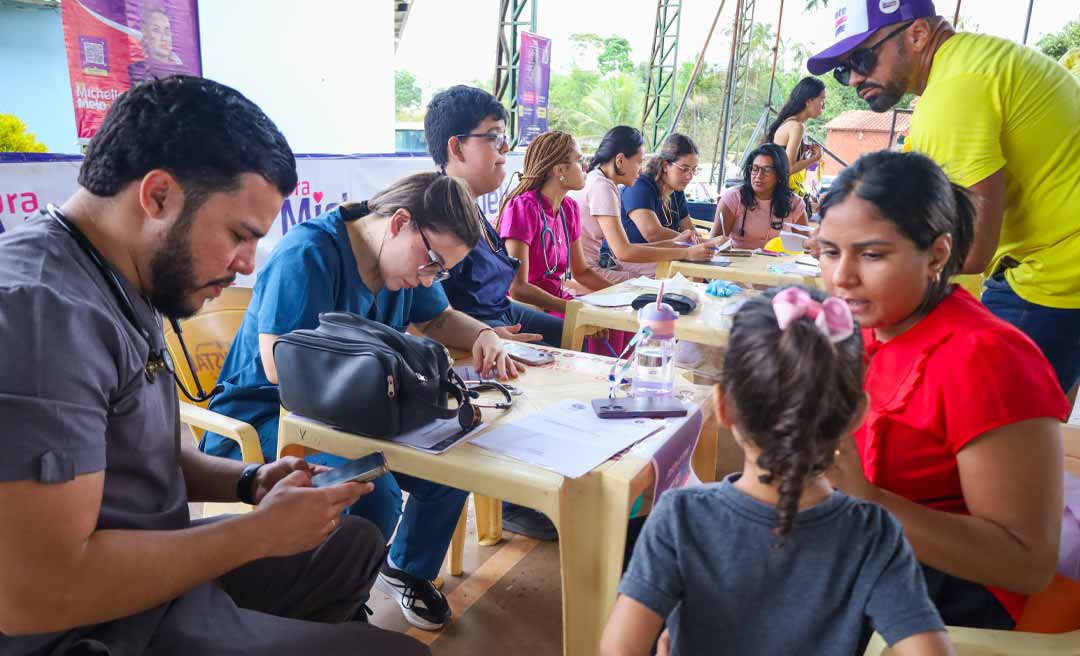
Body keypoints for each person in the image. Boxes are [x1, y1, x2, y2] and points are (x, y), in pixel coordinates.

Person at [0, 76, 428, 655]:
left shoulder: (119, 275)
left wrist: (249, 481)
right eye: (238, 235)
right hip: (92, 625)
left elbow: (137, 447)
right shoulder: (42, 314)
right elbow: (34, 593)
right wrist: (256, 534)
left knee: (350, 541)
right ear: (158, 197)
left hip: (153, 567)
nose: (247, 266)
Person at [202, 172, 520, 631]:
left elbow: (439, 318)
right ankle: (331, 599)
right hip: (271, 412)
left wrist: (485, 334)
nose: (429, 276)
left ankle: (406, 568)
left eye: (441, 271)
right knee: (373, 486)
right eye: (431, 261)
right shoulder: (309, 253)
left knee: (454, 458)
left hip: (363, 410)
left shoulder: (407, 264)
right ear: (399, 222)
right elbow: (278, 365)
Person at [601, 286, 953, 656]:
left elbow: (619, 649)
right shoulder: (874, 533)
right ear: (856, 416)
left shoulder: (680, 517)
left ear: (723, 407)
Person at [816, 150, 1070, 628]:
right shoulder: (871, 326)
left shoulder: (986, 359)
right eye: (830, 252)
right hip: (862, 541)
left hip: (950, 590)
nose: (842, 277)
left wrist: (866, 500)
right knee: (675, 545)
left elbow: (1026, 565)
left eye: (871, 254)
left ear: (936, 254)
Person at [807, 0, 1080, 394]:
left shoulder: (954, 92)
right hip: (1058, 264)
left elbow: (969, 253)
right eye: (843, 69)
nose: (852, 79)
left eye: (863, 59)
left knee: (979, 428)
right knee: (1026, 428)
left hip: (1051, 274)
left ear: (918, 35)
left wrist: (861, 266)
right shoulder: (972, 65)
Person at [425, 85, 560, 540]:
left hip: (495, 320)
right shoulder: (435, 215)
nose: (506, 153)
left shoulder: (476, 209)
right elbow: (433, 315)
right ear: (455, 147)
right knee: (546, 357)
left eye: (507, 140)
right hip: (472, 341)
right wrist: (491, 334)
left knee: (566, 335)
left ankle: (548, 467)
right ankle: (508, 495)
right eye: (496, 139)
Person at [568, 126, 717, 285]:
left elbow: (627, 248)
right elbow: (624, 251)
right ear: (620, 161)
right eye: (639, 162)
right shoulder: (602, 186)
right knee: (662, 286)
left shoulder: (601, 181)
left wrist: (678, 243)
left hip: (597, 265)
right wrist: (686, 253)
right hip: (589, 272)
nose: (640, 170)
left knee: (669, 280)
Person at [496, 130, 612, 314]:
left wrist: (619, 296)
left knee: (618, 321)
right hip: (530, 310)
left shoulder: (569, 209)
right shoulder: (524, 208)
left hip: (558, 302)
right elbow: (518, 289)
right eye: (579, 161)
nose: (586, 167)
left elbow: (581, 272)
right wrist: (572, 310)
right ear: (560, 171)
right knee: (599, 326)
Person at [709, 143, 808, 249]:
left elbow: (806, 247)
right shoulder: (733, 198)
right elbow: (714, 242)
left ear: (779, 175)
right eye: (755, 169)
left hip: (780, 264)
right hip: (739, 263)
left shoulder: (794, 203)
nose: (758, 176)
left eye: (767, 170)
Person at [620, 133, 702, 245]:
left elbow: (688, 230)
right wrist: (704, 242)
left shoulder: (676, 191)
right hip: (631, 259)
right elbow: (653, 234)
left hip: (663, 257)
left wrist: (707, 242)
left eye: (693, 170)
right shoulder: (639, 187)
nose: (690, 176)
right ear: (665, 166)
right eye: (684, 169)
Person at [766, 76, 826, 203]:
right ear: (809, 101)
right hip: (776, 196)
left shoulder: (790, 123)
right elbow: (788, 169)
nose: (823, 106)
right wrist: (814, 159)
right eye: (822, 100)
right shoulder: (796, 127)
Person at [127, 3, 188, 83]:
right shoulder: (138, 70)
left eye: (167, 31)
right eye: (156, 30)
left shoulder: (184, 72)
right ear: (145, 34)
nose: (164, 38)